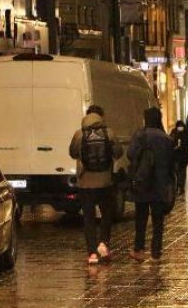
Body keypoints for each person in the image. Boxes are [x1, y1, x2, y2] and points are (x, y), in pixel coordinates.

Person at [69, 105, 124, 264]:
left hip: (85, 183)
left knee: (89, 218)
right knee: (107, 215)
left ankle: (92, 253)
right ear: (101, 116)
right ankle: (103, 243)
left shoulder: (79, 134)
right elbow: (118, 153)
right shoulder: (109, 132)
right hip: (105, 182)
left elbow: (72, 153)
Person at [127, 107, 174, 261]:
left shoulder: (140, 135)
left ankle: (139, 249)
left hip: (142, 183)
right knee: (158, 220)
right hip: (159, 184)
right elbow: (171, 163)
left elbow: (130, 154)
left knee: (141, 218)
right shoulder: (166, 138)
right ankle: (156, 251)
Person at [169, 120, 188, 195]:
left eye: (181, 126)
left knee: (182, 173)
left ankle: (181, 187)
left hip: (183, 157)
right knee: (176, 172)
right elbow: (170, 142)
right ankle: (176, 187)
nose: (180, 128)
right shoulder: (173, 132)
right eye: (179, 126)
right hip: (175, 156)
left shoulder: (186, 133)